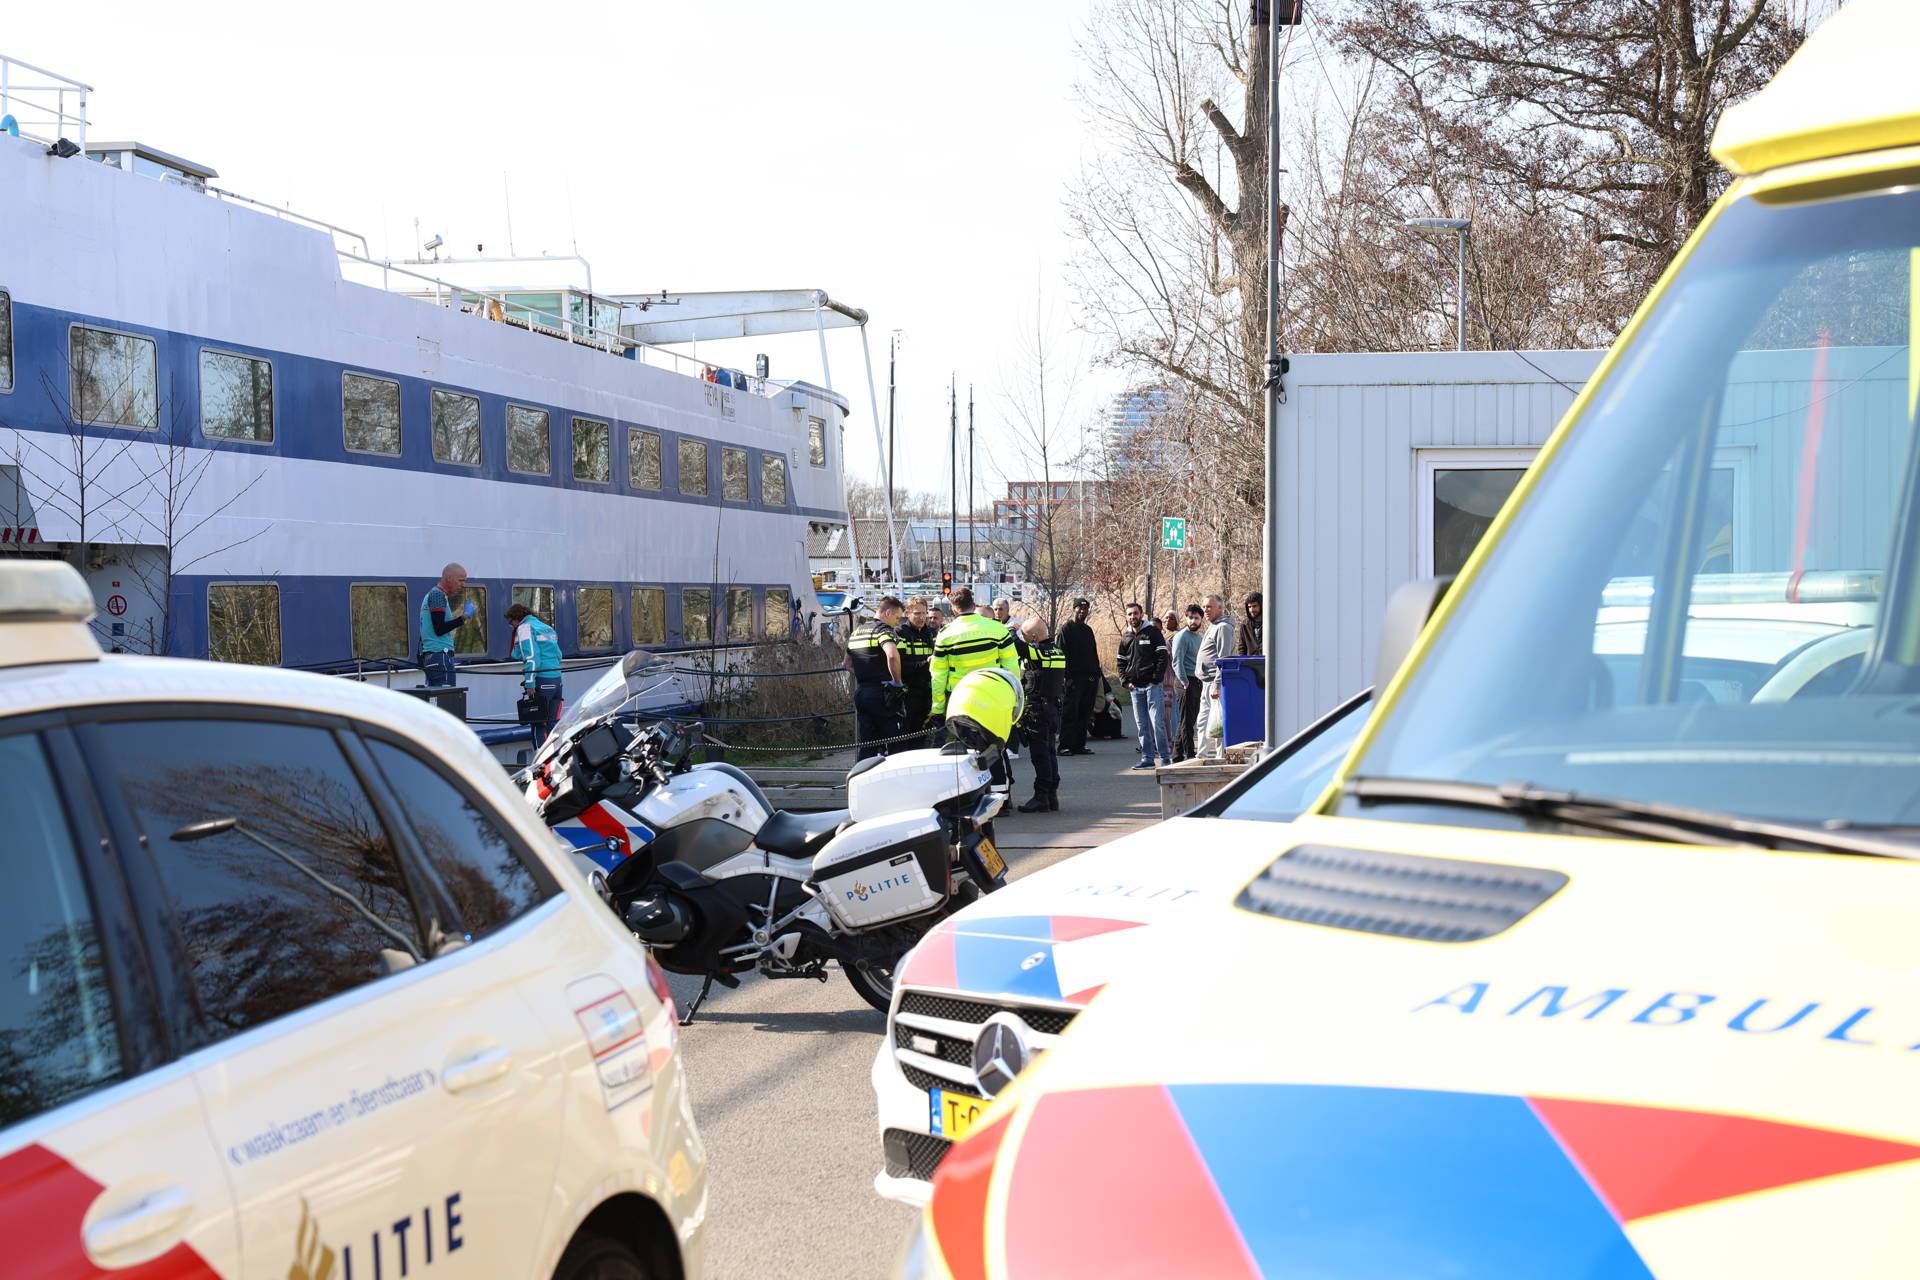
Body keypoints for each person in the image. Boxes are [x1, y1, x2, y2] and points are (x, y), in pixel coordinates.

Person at [928, 587, 1020, 724]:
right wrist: (1013, 699)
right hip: (992, 693)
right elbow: (1011, 666)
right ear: (973, 606)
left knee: (960, 735)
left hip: (959, 696)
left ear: (954, 610)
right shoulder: (998, 628)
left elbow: (938, 675)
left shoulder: (945, 634)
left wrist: (938, 708)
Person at [1013, 616, 1066, 812]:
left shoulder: (1039, 652)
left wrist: (1012, 630)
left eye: (1026, 635)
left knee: (1040, 754)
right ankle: (1051, 796)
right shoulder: (1057, 651)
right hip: (1052, 709)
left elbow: (1018, 647)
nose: (1023, 638)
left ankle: (1041, 796)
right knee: (1050, 752)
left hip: (1038, 711)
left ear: (1034, 637)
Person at [942, 666, 1024, 792]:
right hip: (987, 707)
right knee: (995, 752)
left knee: (971, 752)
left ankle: (979, 790)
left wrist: (937, 710)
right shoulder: (1003, 691)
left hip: (961, 706)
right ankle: (1001, 794)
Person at [846, 596, 907, 760]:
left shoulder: (856, 632)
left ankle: (863, 773)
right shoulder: (884, 631)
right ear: (887, 613)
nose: (897, 623)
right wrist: (898, 683)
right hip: (882, 693)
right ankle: (896, 774)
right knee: (896, 741)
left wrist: (866, 673)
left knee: (868, 744)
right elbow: (892, 655)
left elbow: (847, 664)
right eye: (897, 618)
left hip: (862, 693)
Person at [1118, 602, 1171, 769]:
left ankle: (1165, 759)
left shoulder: (1153, 632)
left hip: (1152, 687)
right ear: (1126, 617)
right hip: (1135, 689)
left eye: (1135, 613)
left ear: (1141, 615)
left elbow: (1163, 656)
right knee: (1142, 726)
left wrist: (1155, 679)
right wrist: (1125, 682)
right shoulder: (1126, 637)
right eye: (1130, 614)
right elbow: (1121, 662)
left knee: (1157, 723)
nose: (1133, 616)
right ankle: (1147, 759)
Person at [506, 601, 565, 750]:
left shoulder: (525, 628)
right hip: (557, 681)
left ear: (516, 618)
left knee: (539, 726)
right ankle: (554, 759)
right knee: (552, 725)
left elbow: (532, 657)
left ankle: (541, 762)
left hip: (542, 681)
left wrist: (530, 682)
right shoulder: (546, 627)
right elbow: (558, 655)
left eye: (510, 622)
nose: (511, 626)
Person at [1195, 593, 1238, 758]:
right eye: (1204, 606)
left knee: (1217, 724)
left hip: (1215, 683)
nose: (1205, 610)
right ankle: (1202, 755)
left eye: (1209, 607)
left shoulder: (1223, 628)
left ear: (1220, 608)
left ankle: (1221, 757)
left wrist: (1217, 685)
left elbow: (1224, 658)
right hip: (1206, 683)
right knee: (1203, 722)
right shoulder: (1213, 626)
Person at [1057, 597, 1101, 756]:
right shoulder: (1066, 629)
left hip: (1090, 679)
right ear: (1074, 609)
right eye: (1079, 608)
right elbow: (1062, 654)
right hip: (1073, 679)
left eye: (1085, 608)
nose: (1082, 611)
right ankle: (1064, 745)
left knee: (1085, 713)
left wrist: (1097, 674)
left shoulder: (1088, 630)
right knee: (1070, 713)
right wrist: (1067, 676)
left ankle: (1079, 745)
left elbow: (1093, 653)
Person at [417, 563, 473, 688]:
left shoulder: (433, 595)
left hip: (433, 657)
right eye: (460, 580)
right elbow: (440, 628)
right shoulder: (438, 595)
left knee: (437, 697)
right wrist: (464, 617)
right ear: (449, 578)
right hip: (440, 657)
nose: (463, 585)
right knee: (447, 697)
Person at [895, 595, 938, 749]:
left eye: (924, 613)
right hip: (908, 693)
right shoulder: (900, 632)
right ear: (907, 613)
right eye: (917, 613)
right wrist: (925, 663)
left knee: (922, 736)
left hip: (927, 692)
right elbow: (901, 665)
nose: (922, 617)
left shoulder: (931, 633)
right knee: (904, 736)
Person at [1172, 603, 1205, 761]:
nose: (1193, 621)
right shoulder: (1181, 636)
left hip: (1197, 681)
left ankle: (1176, 755)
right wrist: (1184, 681)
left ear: (1201, 620)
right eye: (1190, 618)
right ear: (1186, 618)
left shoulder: (1200, 638)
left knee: (1188, 720)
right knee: (1186, 722)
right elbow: (1176, 662)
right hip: (1185, 681)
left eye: (1196, 618)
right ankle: (1190, 755)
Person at [1160, 609, 1182, 737]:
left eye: (1171, 618)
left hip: (1173, 675)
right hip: (1163, 676)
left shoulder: (1177, 636)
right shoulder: (1162, 635)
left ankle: (1174, 737)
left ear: (1177, 621)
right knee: (1166, 709)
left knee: (1173, 708)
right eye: (1166, 618)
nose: (1168, 620)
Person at [1237, 591, 1265, 656]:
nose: (1251, 610)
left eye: (1254, 606)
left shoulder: (1271, 623)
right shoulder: (1245, 625)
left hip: (1268, 661)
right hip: (1250, 661)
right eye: (1249, 607)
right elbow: (1242, 648)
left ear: (1261, 605)